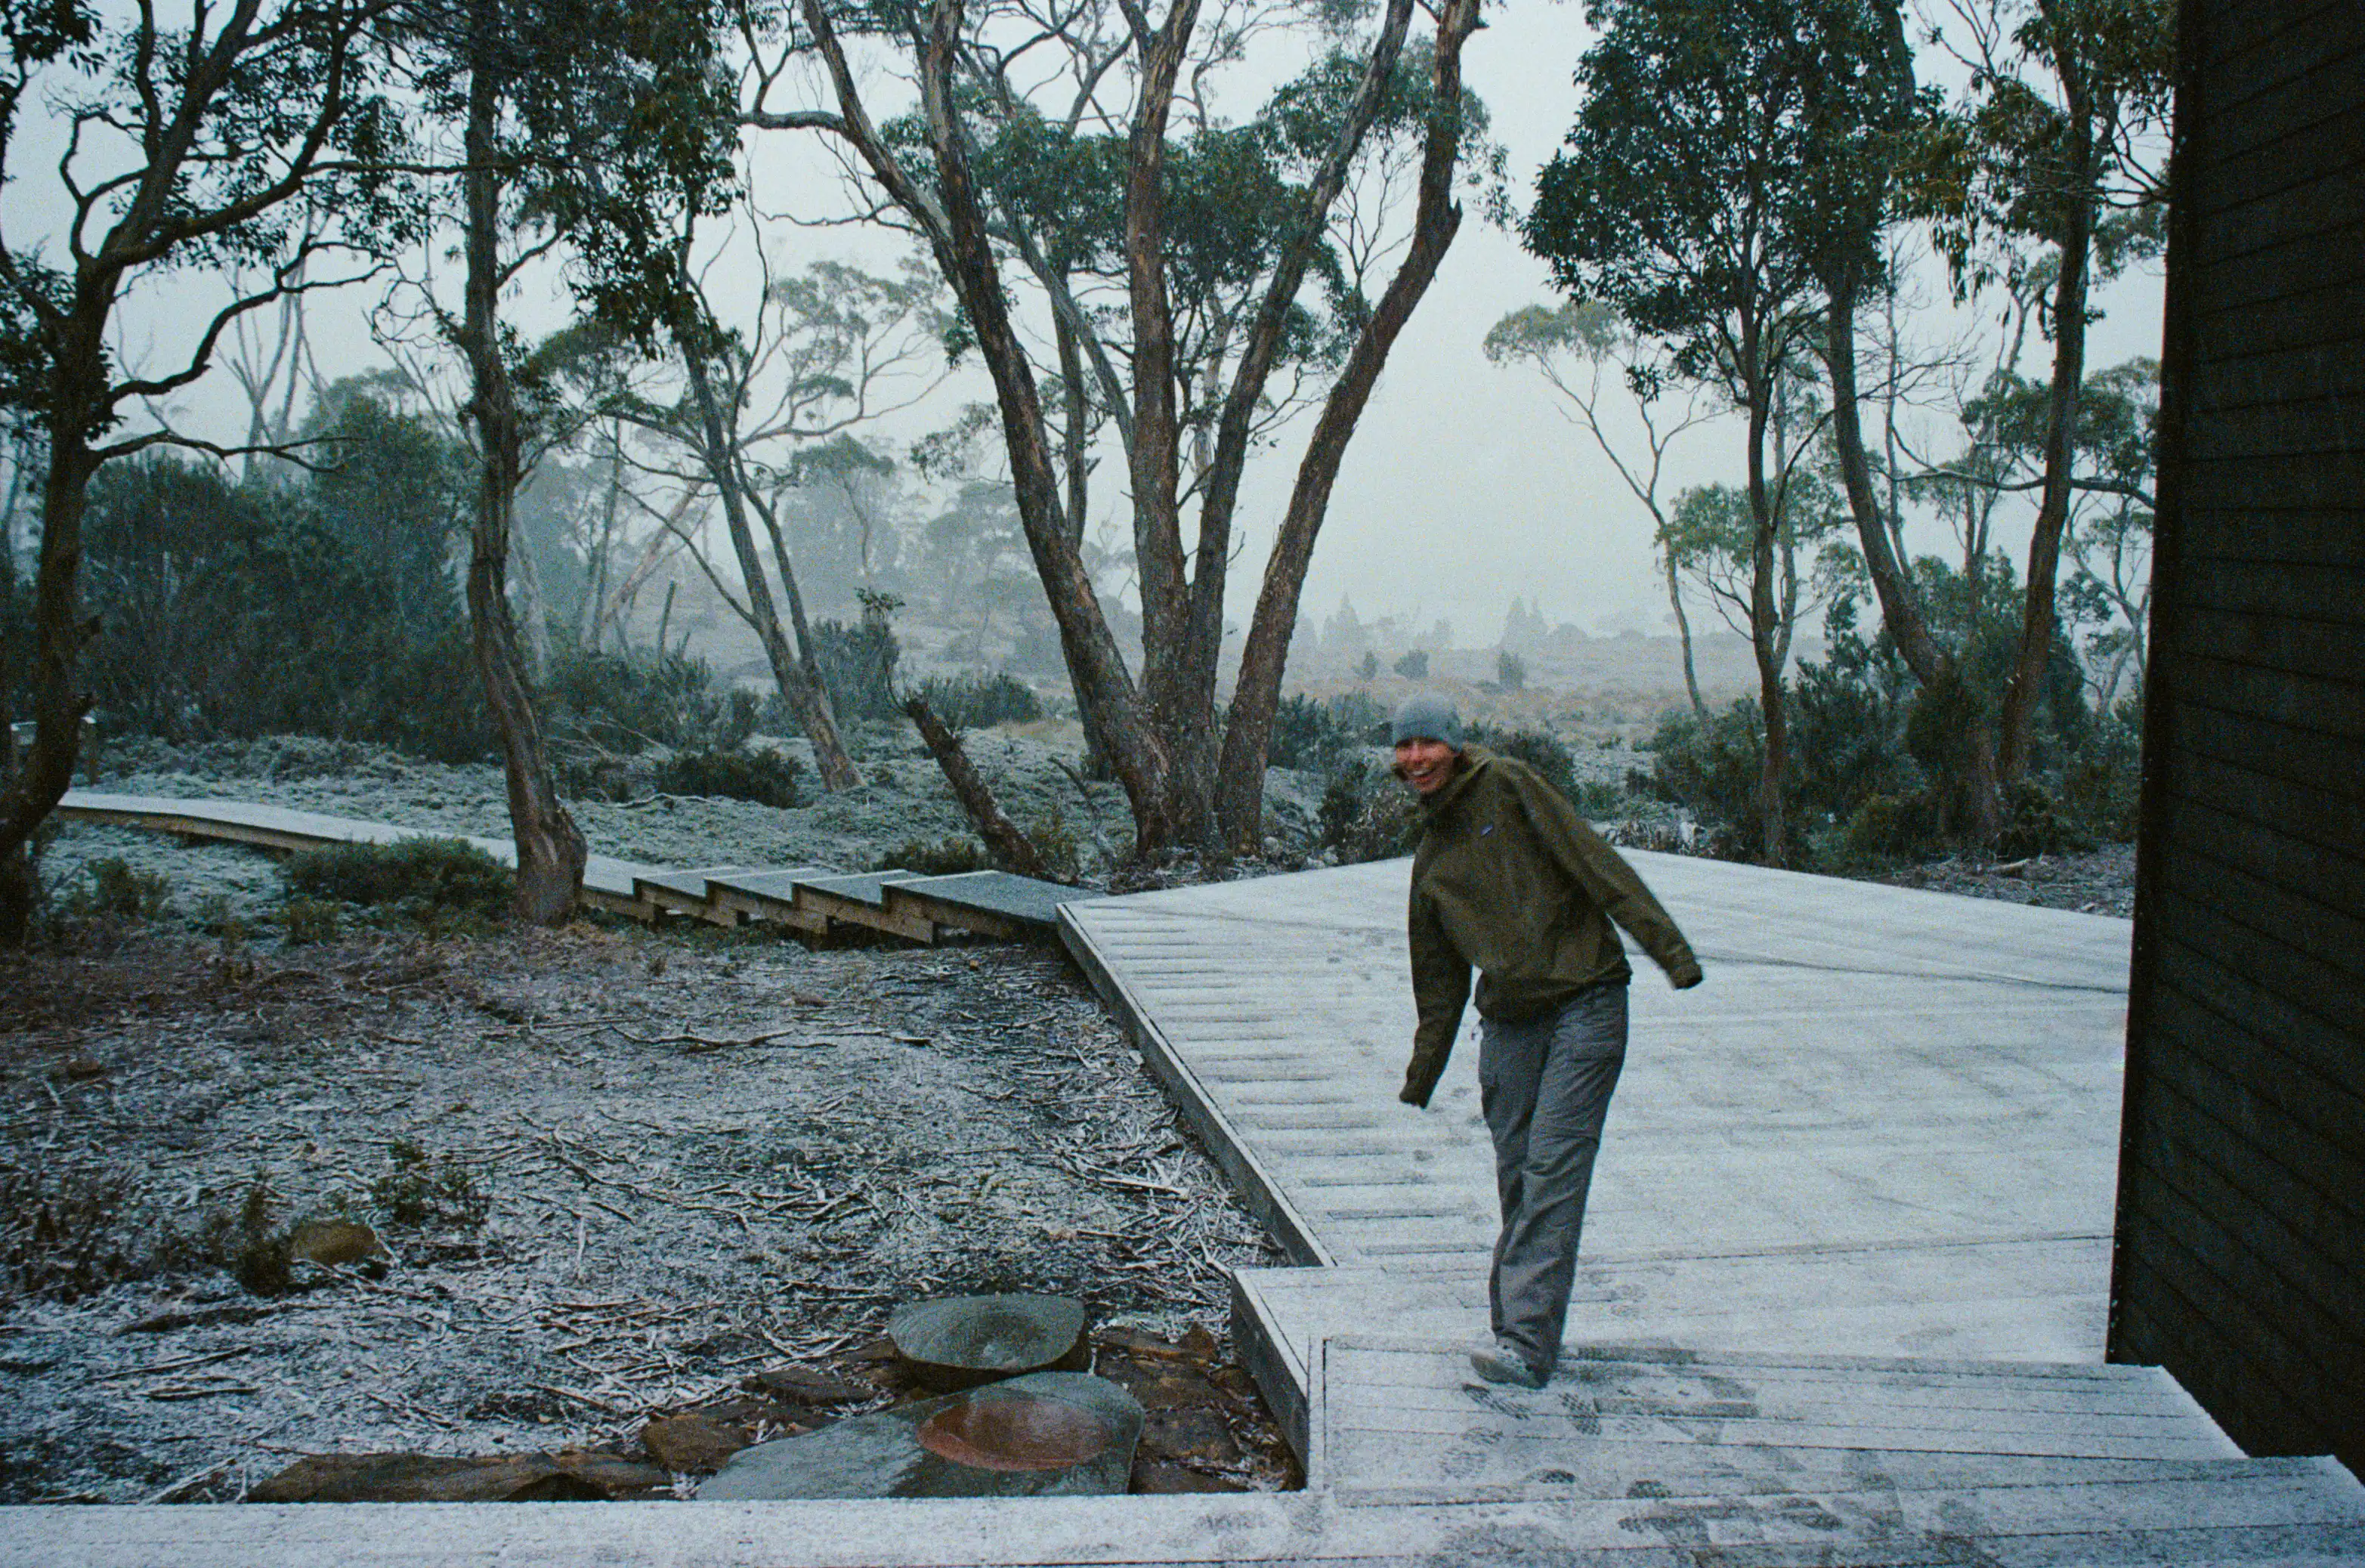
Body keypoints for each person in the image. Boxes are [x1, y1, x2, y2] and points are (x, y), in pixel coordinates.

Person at [1391, 692, 1701, 1390]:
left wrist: (1671, 952)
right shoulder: (1431, 858)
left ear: (1455, 746)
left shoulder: (1509, 785)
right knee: (1518, 1177)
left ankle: (1524, 1343)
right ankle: (1517, 1325)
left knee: (1554, 1168)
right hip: (1509, 1020)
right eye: (1405, 747)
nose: (1416, 758)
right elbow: (1438, 978)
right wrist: (1422, 1073)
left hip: (1586, 999)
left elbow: (1596, 863)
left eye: (1428, 743)